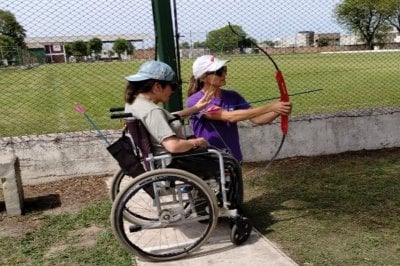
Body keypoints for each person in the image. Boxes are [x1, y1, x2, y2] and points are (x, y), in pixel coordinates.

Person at [124, 60, 244, 208]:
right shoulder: (152, 111)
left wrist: (195, 108)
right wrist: (195, 142)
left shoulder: (135, 103)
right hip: (172, 160)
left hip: (157, 158)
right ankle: (232, 207)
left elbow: (164, 118)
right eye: (172, 86)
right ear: (157, 86)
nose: (173, 91)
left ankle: (204, 201)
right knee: (229, 162)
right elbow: (173, 146)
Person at [186, 55, 292, 162]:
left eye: (224, 69)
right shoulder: (195, 101)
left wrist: (279, 110)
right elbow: (229, 116)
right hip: (209, 159)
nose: (224, 74)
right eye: (218, 71)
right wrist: (271, 107)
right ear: (203, 78)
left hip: (233, 157)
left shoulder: (233, 95)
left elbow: (257, 119)